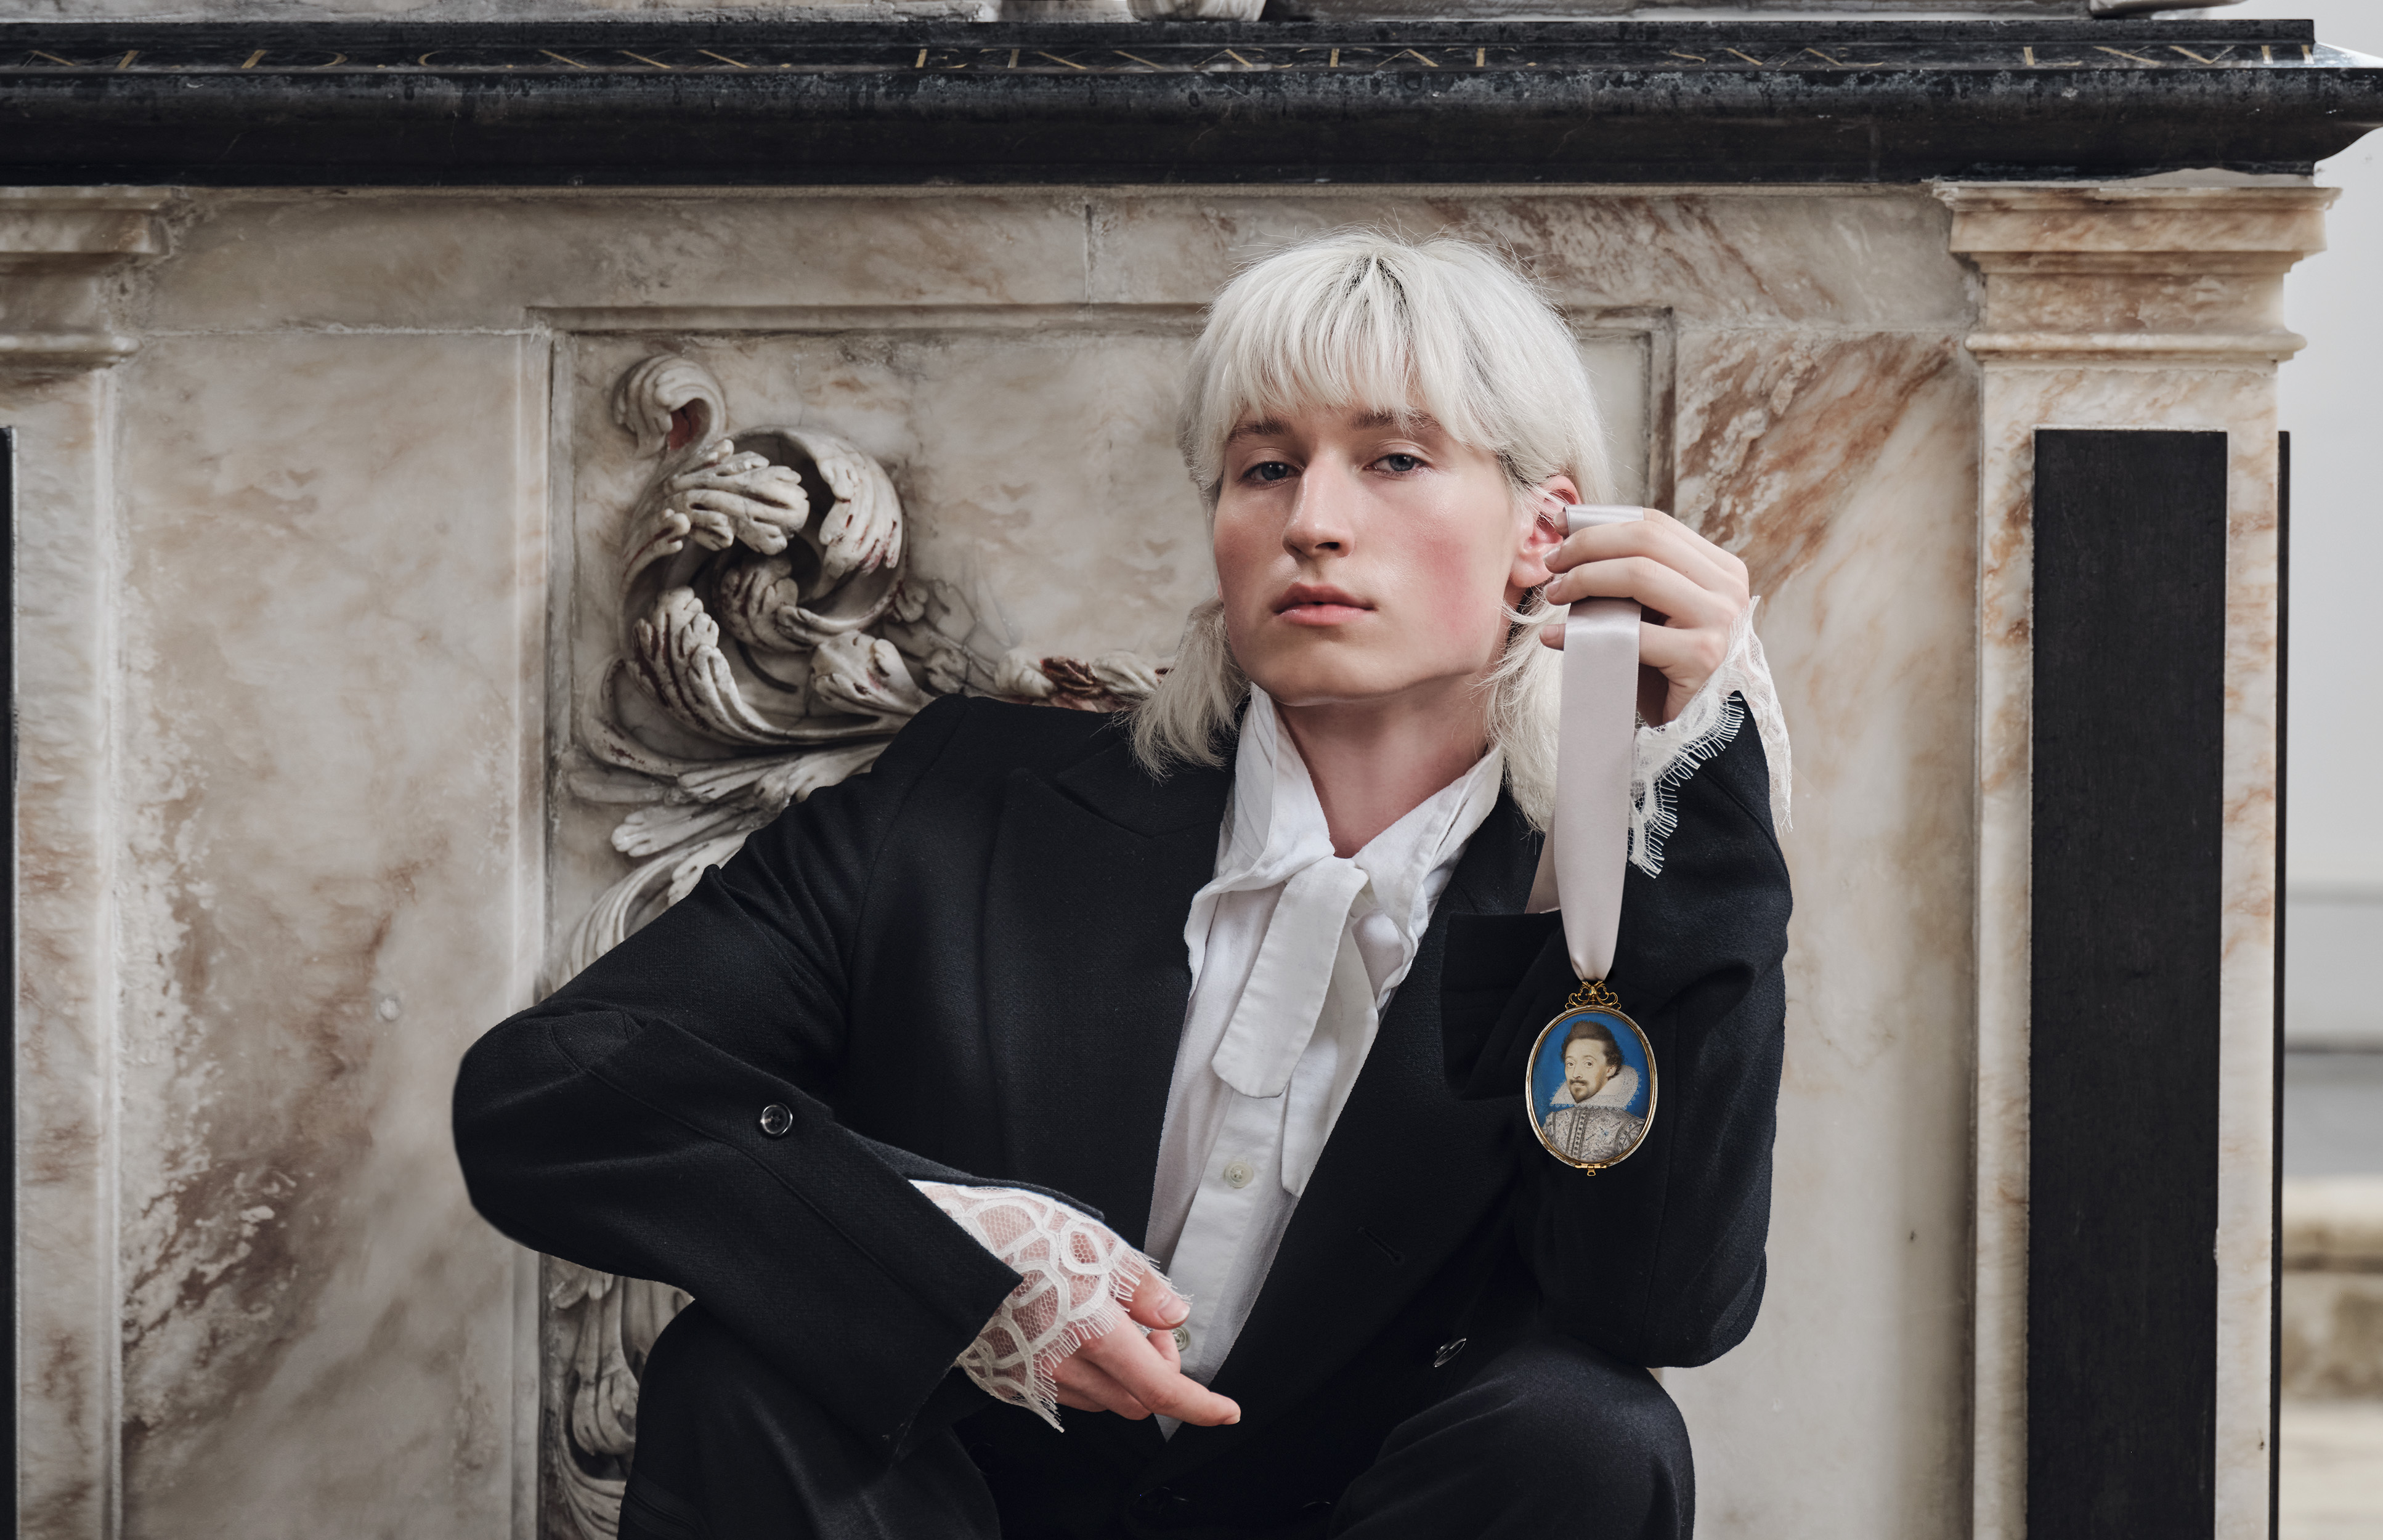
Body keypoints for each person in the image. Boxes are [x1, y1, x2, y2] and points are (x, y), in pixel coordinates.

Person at [453, 229, 1793, 1540]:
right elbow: (554, 1087)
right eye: (1262, 466)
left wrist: (1692, 760)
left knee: (1590, 1431)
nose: (1311, 521)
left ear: (1544, 529)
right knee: (741, 1369)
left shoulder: (1596, 884)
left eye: (1391, 458)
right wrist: (949, 1257)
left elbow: (1657, 1303)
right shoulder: (972, 797)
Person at [1540, 1021, 1646, 1167]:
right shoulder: (1554, 1124)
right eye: (1570, 1064)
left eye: (1588, 1064)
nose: (1576, 1074)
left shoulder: (1630, 1129)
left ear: (1610, 1070)